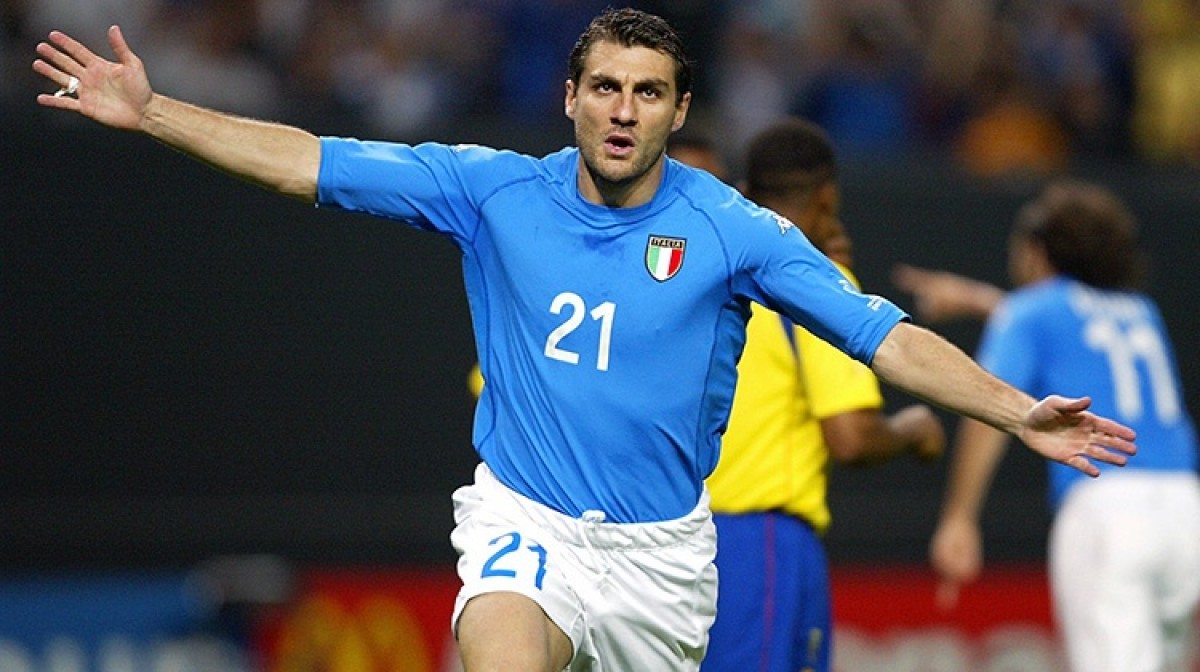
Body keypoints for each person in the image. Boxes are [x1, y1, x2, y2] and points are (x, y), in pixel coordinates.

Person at [33, 10, 1137, 671]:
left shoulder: (734, 229)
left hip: (663, 560)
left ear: (677, 111)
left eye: (648, 93)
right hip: (527, 523)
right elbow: (309, 160)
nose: (622, 109)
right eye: (604, 87)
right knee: (501, 646)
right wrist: (154, 111)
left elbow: (883, 338)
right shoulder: (490, 190)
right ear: (569, 96)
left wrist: (1014, 410)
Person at [901, 181, 1199, 672]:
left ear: (1038, 253)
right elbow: (1061, 327)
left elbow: (989, 409)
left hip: (1106, 507)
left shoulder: (1030, 311)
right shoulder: (1141, 311)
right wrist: (978, 299)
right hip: (1185, 512)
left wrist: (959, 517)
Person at [685, 118, 945, 672]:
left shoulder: (700, 272)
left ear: (744, 193)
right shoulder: (813, 279)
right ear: (828, 198)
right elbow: (850, 436)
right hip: (759, 542)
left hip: (668, 533)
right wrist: (913, 430)